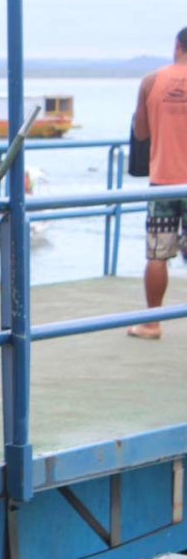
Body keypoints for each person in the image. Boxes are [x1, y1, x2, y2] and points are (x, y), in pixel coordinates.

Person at [128, 26, 187, 339]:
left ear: (177, 45)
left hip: (164, 180)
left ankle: (152, 323)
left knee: (157, 255)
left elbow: (140, 133)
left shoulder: (151, 81)